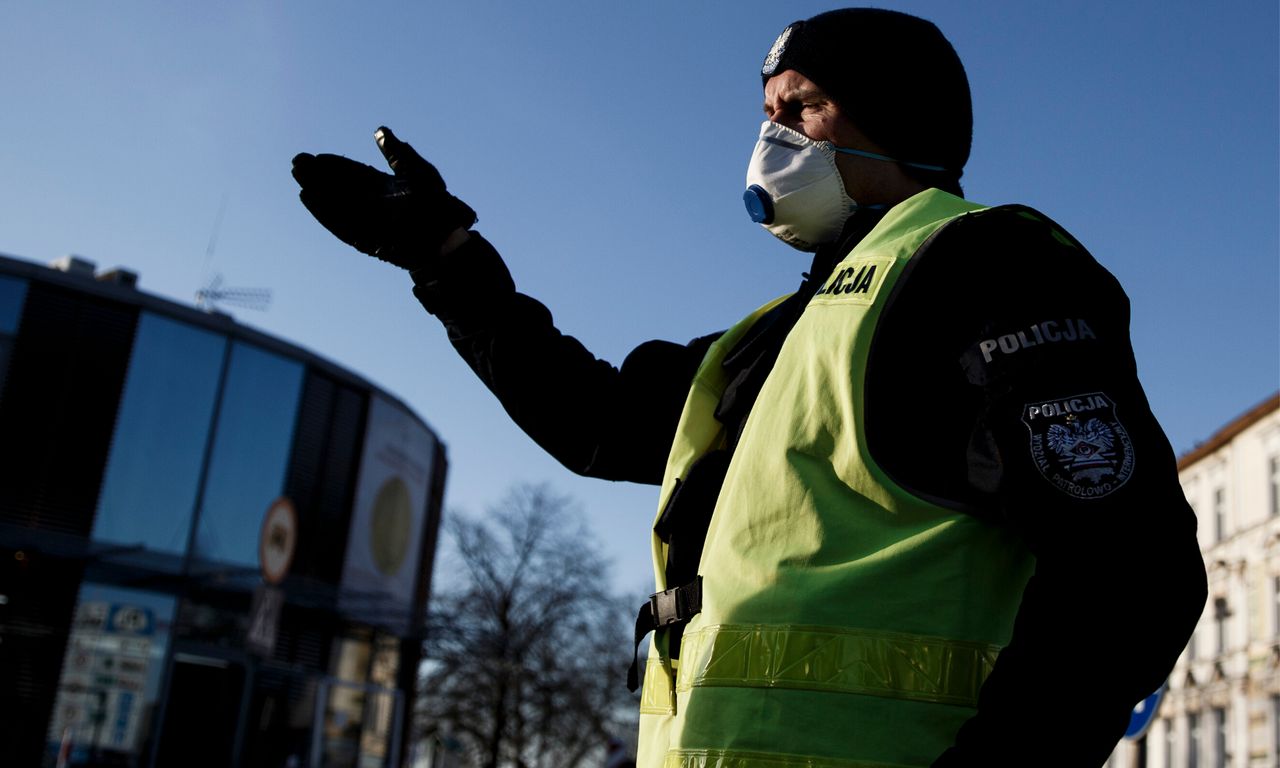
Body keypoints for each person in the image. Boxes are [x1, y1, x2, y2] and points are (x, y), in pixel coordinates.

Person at [291, 9, 1206, 766]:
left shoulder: (985, 267)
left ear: (891, 117)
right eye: (767, 112)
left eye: (801, 107)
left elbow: (1131, 575)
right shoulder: (775, 336)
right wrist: (446, 261)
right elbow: (594, 422)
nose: (771, 139)